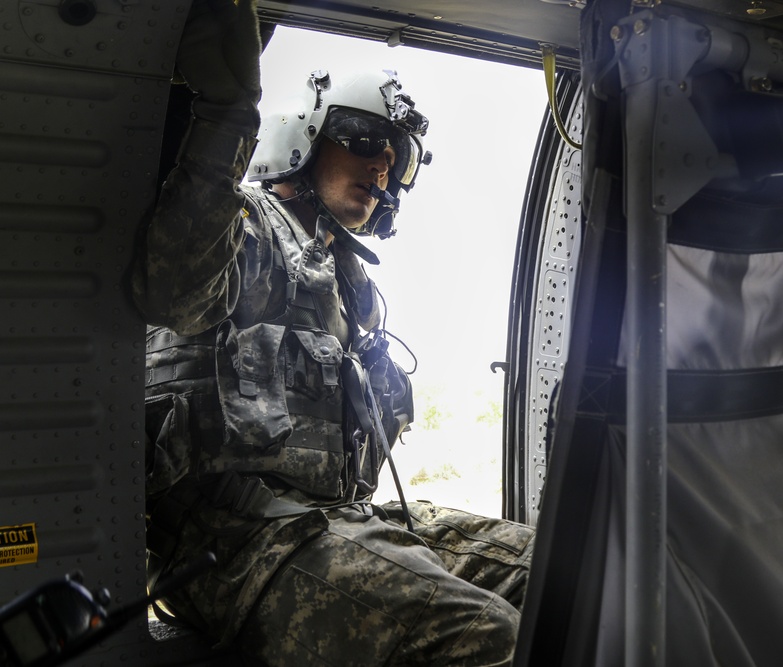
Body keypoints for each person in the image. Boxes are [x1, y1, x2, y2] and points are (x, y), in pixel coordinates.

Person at [132, 1, 534, 665]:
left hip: (336, 516)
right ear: (310, 134)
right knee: (487, 632)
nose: (382, 169)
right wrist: (226, 118)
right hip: (228, 539)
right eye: (367, 141)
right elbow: (172, 286)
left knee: (557, 569)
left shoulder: (351, 283)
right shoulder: (243, 225)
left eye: (396, 159)